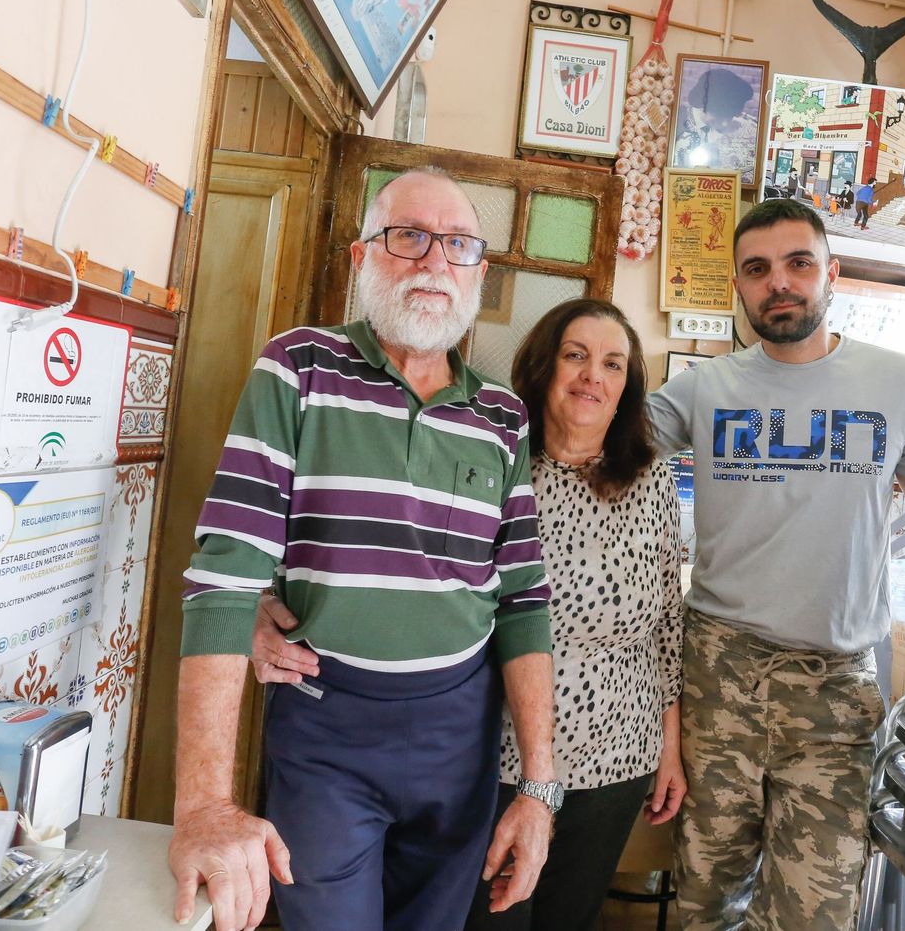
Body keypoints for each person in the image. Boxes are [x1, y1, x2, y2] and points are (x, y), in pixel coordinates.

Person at [168, 167, 560, 931]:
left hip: (459, 735)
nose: (434, 262)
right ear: (360, 258)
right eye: (408, 236)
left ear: (479, 271)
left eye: (458, 244)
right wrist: (205, 805)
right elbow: (223, 575)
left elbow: (524, 602)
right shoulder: (297, 368)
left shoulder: (502, 416)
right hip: (326, 728)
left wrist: (539, 789)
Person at [255, 298, 687, 931]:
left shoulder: (652, 482)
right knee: (488, 918)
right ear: (544, 367)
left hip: (620, 752)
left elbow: (667, 625)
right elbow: (374, 543)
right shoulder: (493, 454)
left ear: (629, 386)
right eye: (576, 356)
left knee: (569, 918)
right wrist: (261, 602)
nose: (593, 376)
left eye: (613, 364)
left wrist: (670, 747)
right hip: (493, 752)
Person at [646, 197, 905, 930]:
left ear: (831, 274)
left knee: (818, 911)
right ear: (739, 287)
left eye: (798, 263)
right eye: (757, 269)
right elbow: (594, 443)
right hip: (718, 678)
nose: (779, 282)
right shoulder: (706, 388)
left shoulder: (899, 383)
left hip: (835, 694)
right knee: (706, 901)